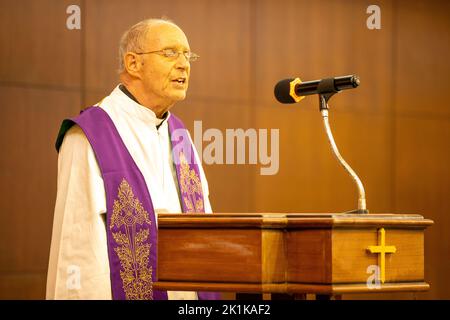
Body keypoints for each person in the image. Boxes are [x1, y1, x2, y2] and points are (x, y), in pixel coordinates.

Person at [46, 18, 219, 300]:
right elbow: (77, 248)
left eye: (188, 55)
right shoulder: (89, 135)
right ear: (133, 63)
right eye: (170, 53)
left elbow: (206, 229)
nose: (184, 64)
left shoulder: (181, 136)